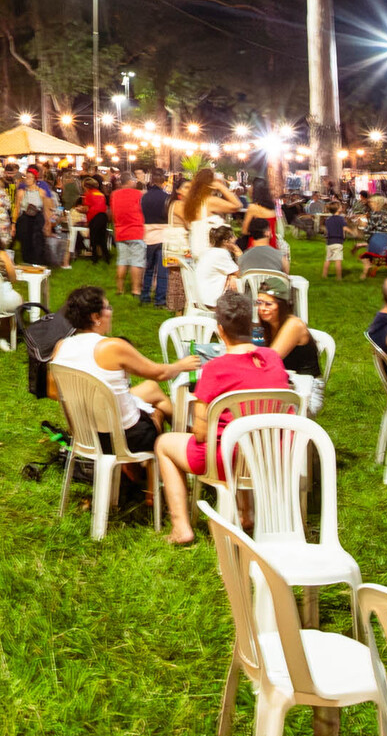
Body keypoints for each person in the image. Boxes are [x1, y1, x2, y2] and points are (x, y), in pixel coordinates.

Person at [153, 289, 288, 546]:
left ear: (220, 330)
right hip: (271, 453)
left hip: (227, 459)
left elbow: (202, 434)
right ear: (252, 325)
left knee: (164, 445)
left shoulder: (214, 369)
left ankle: (181, 526)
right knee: (241, 432)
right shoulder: (272, 358)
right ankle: (245, 514)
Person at [51, 284, 196, 479]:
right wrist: (182, 364)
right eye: (108, 308)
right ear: (95, 317)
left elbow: (54, 391)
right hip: (122, 438)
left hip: (84, 433)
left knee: (151, 389)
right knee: (157, 412)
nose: (111, 312)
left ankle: (186, 443)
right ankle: (157, 479)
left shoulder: (61, 347)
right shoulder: (111, 347)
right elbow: (160, 373)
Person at [253, 285, 323, 414]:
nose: (262, 309)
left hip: (305, 391)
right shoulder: (266, 326)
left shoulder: (293, 325)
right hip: (282, 382)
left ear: (282, 305)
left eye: (268, 304)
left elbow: (268, 359)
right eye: (259, 303)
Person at [139, 170, 174, 308]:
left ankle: (145, 296)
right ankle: (160, 300)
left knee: (148, 268)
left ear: (152, 180)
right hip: (164, 235)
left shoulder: (144, 197)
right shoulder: (167, 198)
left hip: (148, 234)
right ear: (163, 181)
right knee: (162, 270)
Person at [110, 171, 146, 296]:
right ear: (130, 181)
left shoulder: (114, 194)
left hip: (120, 231)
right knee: (137, 261)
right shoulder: (139, 194)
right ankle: (136, 289)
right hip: (136, 230)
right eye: (135, 180)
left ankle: (120, 289)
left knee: (122, 260)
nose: (136, 182)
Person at [192, 225, 241, 307]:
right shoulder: (221, 254)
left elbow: (232, 272)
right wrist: (238, 252)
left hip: (198, 298)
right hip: (209, 300)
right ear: (226, 241)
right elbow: (240, 273)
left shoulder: (209, 252)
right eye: (233, 236)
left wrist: (232, 276)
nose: (236, 238)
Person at [80, 177, 110, 264]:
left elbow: (86, 208)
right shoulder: (100, 194)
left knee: (93, 239)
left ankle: (95, 258)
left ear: (86, 186)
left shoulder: (88, 194)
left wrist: (79, 209)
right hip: (103, 216)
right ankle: (107, 257)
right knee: (102, 238)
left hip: (95, 217)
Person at [320, 201, 348, 280]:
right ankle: (339, 277)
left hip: (329, 242)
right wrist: (352, 231)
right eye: (340, 206)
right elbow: (344, 228)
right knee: (338, 260)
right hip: (338, 242)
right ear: (338, 209)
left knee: (327, 259)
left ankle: (324, 275)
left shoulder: (328, 220)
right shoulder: (341, 219)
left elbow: (327, 229)